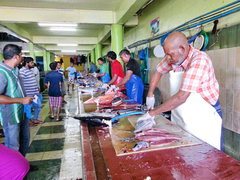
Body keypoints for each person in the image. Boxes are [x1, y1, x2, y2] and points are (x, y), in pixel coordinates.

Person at [138, 32, 222, 150]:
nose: (168, 58)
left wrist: (151, 113)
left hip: (205, 115)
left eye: (170, 54)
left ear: (182, 48)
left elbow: (182, 96)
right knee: (183, 150)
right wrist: (150, 94)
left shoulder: (199, 60)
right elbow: (158, 71)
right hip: (183, 114)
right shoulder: (174, 57)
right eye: (166, 54)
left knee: (206, 152)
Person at [0, 44, 33, 155]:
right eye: (21, 55)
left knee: (25, 140)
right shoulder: (1, 72)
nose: (22, 57)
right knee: (13, 145)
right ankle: (15, 170)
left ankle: (23, 164)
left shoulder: (15, 70)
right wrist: (21, 100)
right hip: (10, 116)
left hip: (21, 113)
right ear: (16, 56)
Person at [19, 57, 43, 126]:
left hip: (34, 94)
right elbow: (21, 83)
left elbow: (33, 82)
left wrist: (37, 91)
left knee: (38, 106)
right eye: (31, 62)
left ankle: (35, 119)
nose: (33, 64)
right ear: (27, 63)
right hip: (28, 95)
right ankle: (29, 122)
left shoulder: (30, 70)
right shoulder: (22, 71)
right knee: (28, 109)